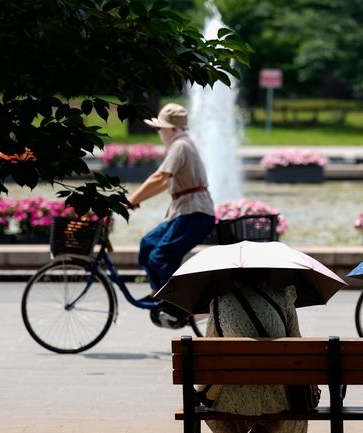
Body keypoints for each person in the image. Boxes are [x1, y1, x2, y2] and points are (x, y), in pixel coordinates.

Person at [127, 103, 216, 301]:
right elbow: (164, 183)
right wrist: (137, 200)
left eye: (160, 128)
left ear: (173, 129)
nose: (158, 132)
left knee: (159, 257)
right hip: (186, 211)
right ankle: (160, 294)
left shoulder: (180, 146)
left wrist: (132, 199)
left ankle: (178, 303)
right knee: (148, 244)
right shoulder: (182, 144)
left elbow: (160, 178)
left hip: (194, 213)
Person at [203, 268, 307, 433]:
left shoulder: (219, 303)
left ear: (234, 280)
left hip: (232, 400)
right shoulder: (283, 299)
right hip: (279, 399)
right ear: (266, 278)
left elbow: (209, 352)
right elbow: (297, 347)